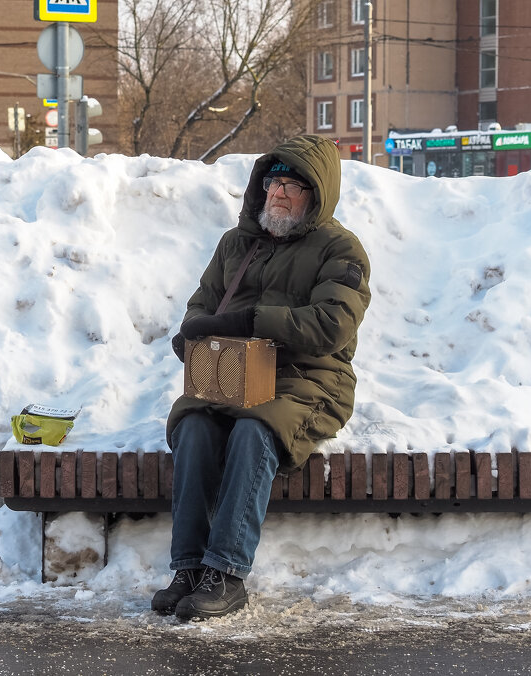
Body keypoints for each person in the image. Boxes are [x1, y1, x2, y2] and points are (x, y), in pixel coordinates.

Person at [155, 135, 371, 621]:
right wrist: (194, 333)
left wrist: (251, 322)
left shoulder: (340, 249)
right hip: (233, 375)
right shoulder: (236, 243)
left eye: (293, 186)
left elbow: (333, 325)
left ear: (316, 195)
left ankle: (227, 574)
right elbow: (203, 302)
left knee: (256, 430)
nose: (279, 194)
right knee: (191, 425)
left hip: (310, 380)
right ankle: (188, 567)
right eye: (274, 183)